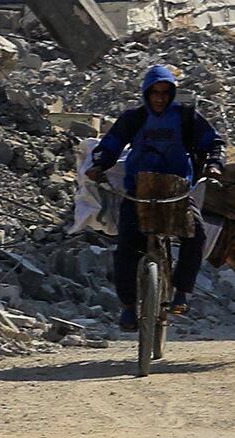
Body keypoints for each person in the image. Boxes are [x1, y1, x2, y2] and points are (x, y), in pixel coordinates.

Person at [88, 63, 225, 335]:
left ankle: (181, 292)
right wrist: (99, 165)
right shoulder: (134, 118)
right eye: (155, 92)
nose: (160, 98)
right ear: (146, 93)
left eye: (165, 92)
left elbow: (214, 142)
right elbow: (111, 145)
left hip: (177, 191)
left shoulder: (186, 117)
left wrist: (214, 164)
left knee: (196, 234)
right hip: (138, 191)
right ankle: (128, 307)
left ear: (172, 93)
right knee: (126, 247)